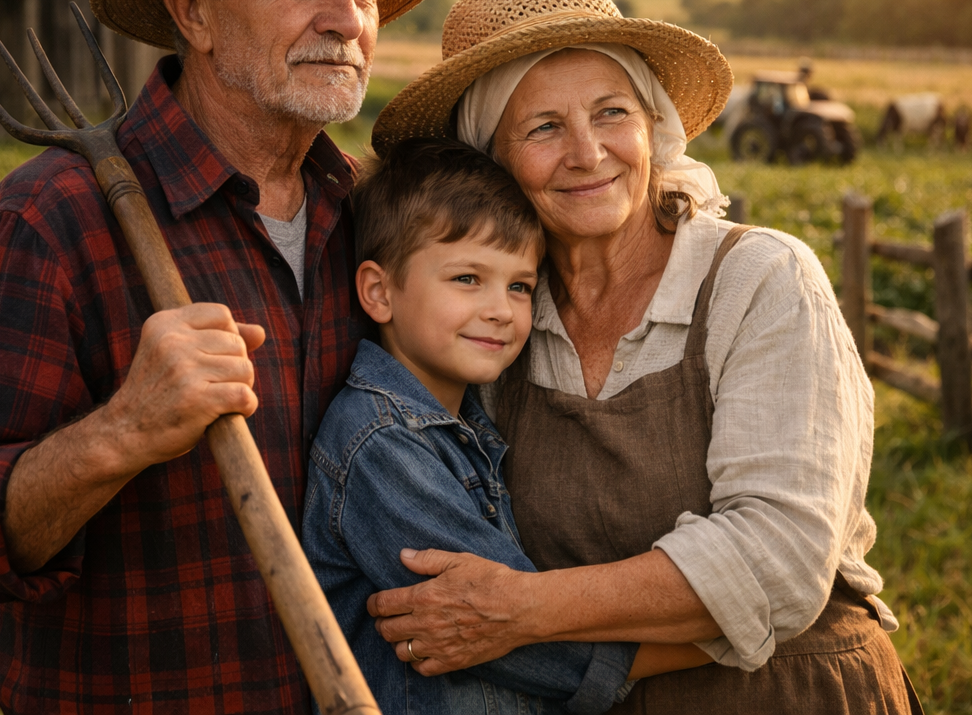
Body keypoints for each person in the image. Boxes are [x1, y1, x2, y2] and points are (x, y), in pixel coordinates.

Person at [0, 0, 455, 714]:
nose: (347, 18)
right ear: (192, 11)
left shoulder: (374, 219)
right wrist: (123, 431)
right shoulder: (53, 220)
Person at [364, 0, 923, 713]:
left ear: (654, 128)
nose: (589, 153)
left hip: (793, 693)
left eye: (611, 113)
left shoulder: (758, 278)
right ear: (492, 164)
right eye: (543, 128)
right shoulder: (498, 327)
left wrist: (523, 610)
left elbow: (782, 559)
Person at [302, 138, 710, 715]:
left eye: (519, 285)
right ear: (379, 291)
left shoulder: (466, 426)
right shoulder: (382, 443)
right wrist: (706, 643)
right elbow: (508, 636)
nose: (501, 309)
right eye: (468, 278)